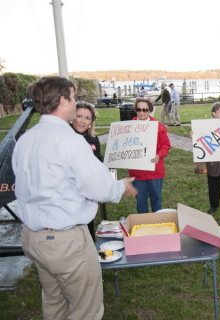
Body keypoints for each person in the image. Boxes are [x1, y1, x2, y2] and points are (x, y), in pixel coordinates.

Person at [12, 76, 138, 320]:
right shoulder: (70, 140)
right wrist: (120, 186)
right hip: (65, 242)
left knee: (54, 303)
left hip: (34, 237)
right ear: (62, 100)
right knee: (85, 310)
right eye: (73, 97)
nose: (76, 102)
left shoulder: (26, 140)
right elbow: (98, 187)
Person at [128, 98, 171, 213]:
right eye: (138, 109)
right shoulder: (128, 127)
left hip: (155, 171)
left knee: (156, 200)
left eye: (145, 109)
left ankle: (157, 226)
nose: (141, 112)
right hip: (137, 172)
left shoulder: (159, 127)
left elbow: (166, 145)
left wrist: (158, 155)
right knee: (141, 202)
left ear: (150, 110)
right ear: (135, 110)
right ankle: (143, 227)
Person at [71, 101, 101, 240]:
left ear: (91, 122)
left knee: (88, 228)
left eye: (87, 118)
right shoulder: (63, 137)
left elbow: (99, 164)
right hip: (69, 193)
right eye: (79, 116)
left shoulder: (94, 140)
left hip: (89, 193)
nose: (83, 121)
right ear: (72, 117)